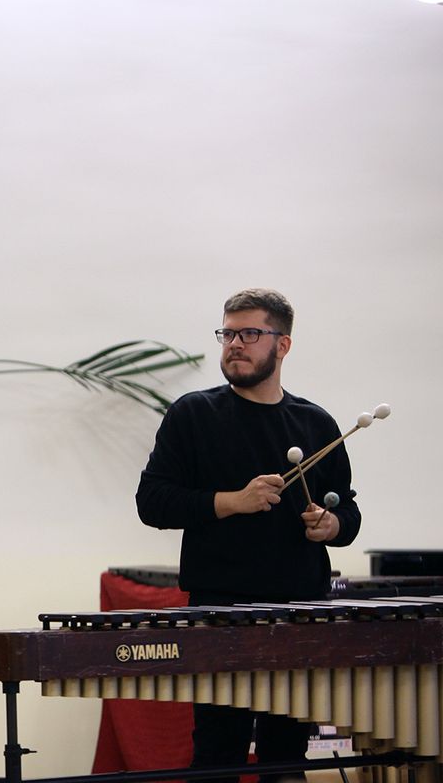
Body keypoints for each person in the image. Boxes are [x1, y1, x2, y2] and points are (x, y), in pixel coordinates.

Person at [135, 288, 361, 782]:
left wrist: (332, 525)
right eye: (228, 333)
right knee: (217, 758)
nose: (234, 344)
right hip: (220, 610)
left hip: (299, 611)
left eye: (250, 333)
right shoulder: (193, 415)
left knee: (286, 762)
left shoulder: (316, 422)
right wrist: (232, 501)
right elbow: (151, 502)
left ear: (283, 345)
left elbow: (348, 511)